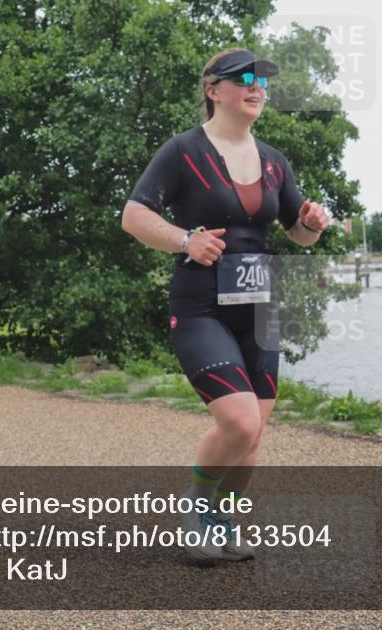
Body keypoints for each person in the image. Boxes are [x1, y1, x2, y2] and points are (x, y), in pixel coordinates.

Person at [122, 47, 328, 562]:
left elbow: (297, 233)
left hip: (259, 310)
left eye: (263, 81)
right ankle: (195, 510)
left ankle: (224, 520)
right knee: (239, 421)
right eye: (245, 78)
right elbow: (134, 216)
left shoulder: (274, 161)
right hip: (202, 309)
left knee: (253, 435)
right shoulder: (183, 150)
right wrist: (185, 240)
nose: (257, 87)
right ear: (213, 90)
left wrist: (311, 224)